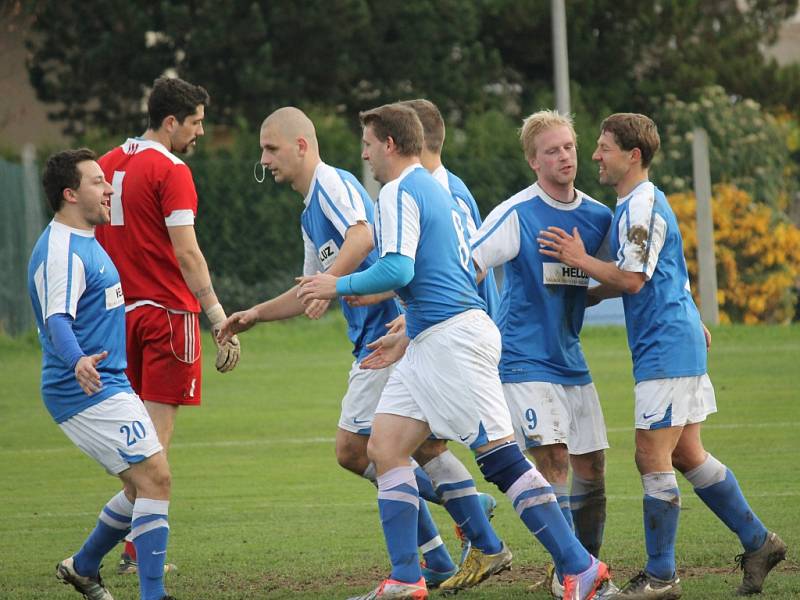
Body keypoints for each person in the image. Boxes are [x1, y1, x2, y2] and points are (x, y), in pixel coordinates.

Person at [298, 103, 610, 600]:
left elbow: (398, 269)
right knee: (386, 447)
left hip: (454, 341)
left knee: (501, 459)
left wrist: (334, 284)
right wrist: (405, 326)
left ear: (390, 145)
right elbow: (436, 271)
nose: (365, 155)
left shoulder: (400, 189)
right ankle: (406, 578)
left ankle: (581, 567)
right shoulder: (430, 185)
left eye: (367, 145)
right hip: (429, 339)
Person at [216, 106, 468, 587]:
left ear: (301, 146)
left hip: (385, 334)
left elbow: (362, 235)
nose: (264, 159)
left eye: (271, 148)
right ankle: (444, 545)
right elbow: (308, 287)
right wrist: (255, 314)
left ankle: (462, 515)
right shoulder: (310, 210)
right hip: (376, 338)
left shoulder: (331, 183)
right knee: (412, 447)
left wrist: (329, 283)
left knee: (357, 451)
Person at [538, 112, 787, 599]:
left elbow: (632, 279)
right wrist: (587, 290)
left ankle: (661, 576)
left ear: (633, 155)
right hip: (673, 342)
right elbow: (658, 271)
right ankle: (760, 543)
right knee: (687, 453)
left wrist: (578, 259)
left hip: (665, 350)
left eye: (604, 147)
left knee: (651, 456)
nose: (594, 156)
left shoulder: (641, 206)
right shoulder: (634, 203)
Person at [95, 76, 241, 572]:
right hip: (167, 318)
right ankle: (135, 552)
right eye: (196, 123)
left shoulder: (107, 164)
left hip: (118, 319)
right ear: (171, 121)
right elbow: (187, 252)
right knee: (153, 447)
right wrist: (218, 316)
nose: (200, 133)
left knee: (133, 442)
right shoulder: (171, 168)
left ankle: (129, 547)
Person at [470, 110, 615, 598]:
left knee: (592, 467)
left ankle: (578, 566)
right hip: (523, 361)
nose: (565, 157)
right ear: (533, 161)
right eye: (552, 150)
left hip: (571, 360)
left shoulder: (597, 216)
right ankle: (572, 573)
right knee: (554, 463)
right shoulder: (517, 213)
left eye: (569, 147)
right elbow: (469, 262)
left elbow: (634, 271)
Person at [28, 148, 175, 600]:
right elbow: (57, 319)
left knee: (139, 486)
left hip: (106, 379)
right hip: (84, 386)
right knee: (156, 477)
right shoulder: (60, 250)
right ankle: (153, 595)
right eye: (97, 182)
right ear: (70, 194)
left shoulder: (86, 240)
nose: (109, 187)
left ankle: (84, 566)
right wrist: (76, 360)